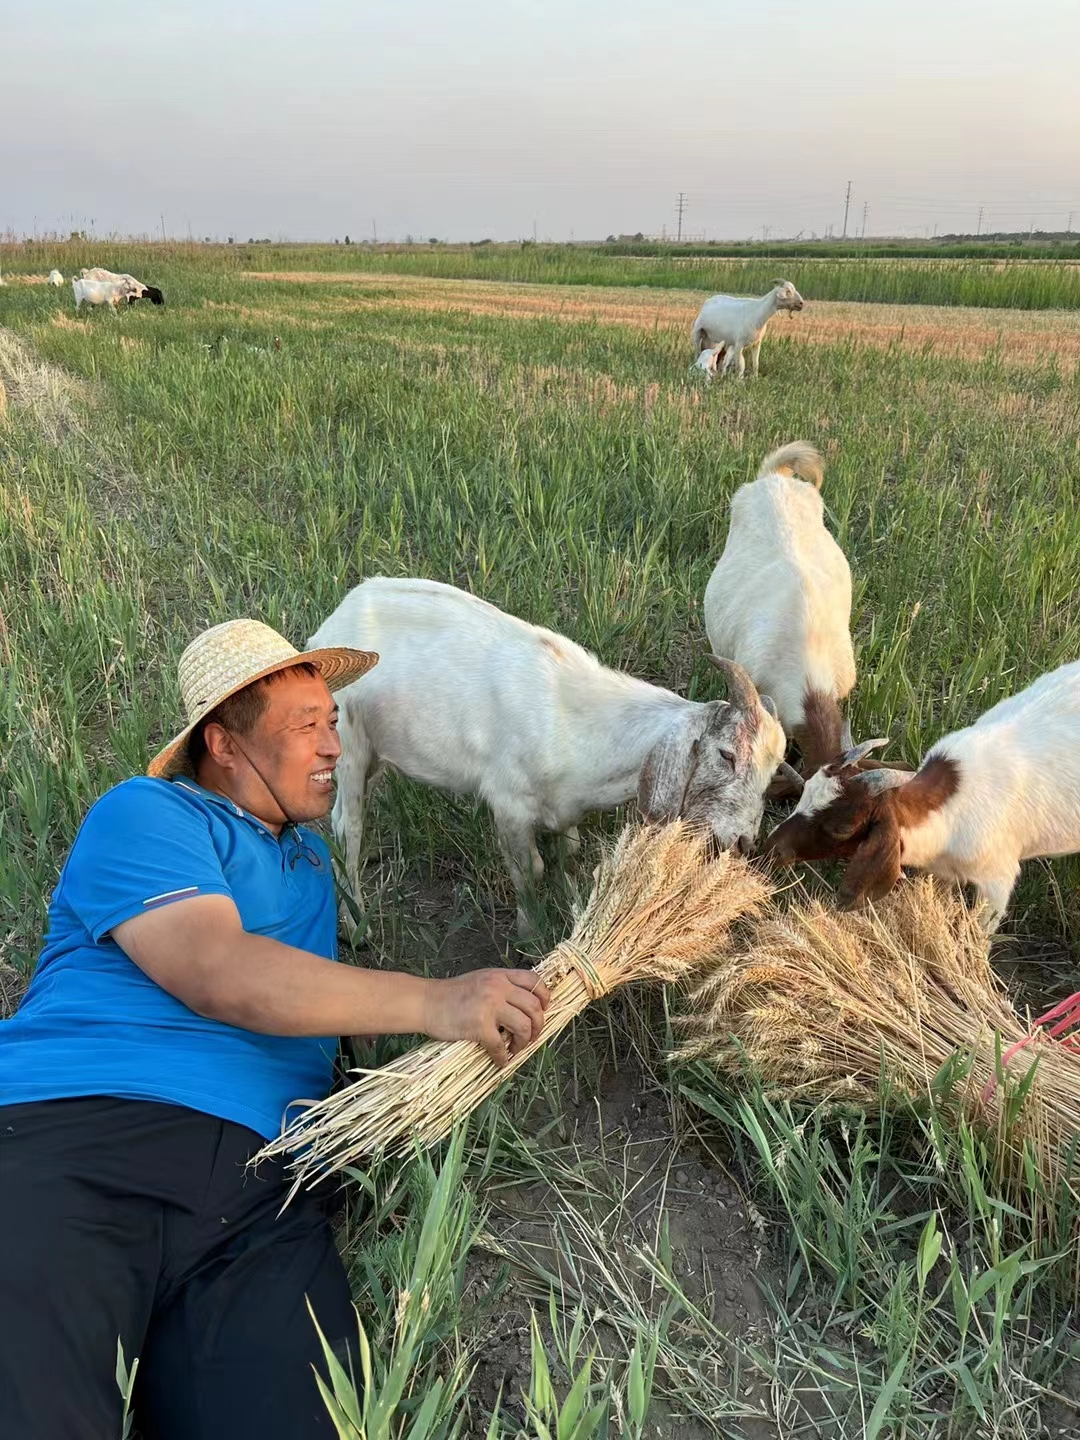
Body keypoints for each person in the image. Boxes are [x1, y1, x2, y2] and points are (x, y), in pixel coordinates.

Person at [0, 618, 549, 1440]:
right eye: (306, 726)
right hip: (80, 1133)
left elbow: (313, 1007)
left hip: (260, 1195)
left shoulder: (312, 866)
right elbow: (219, 972)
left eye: (333, 720)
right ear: (222, 744)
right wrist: (441, 1002)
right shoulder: (149, 812)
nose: (334, 744)